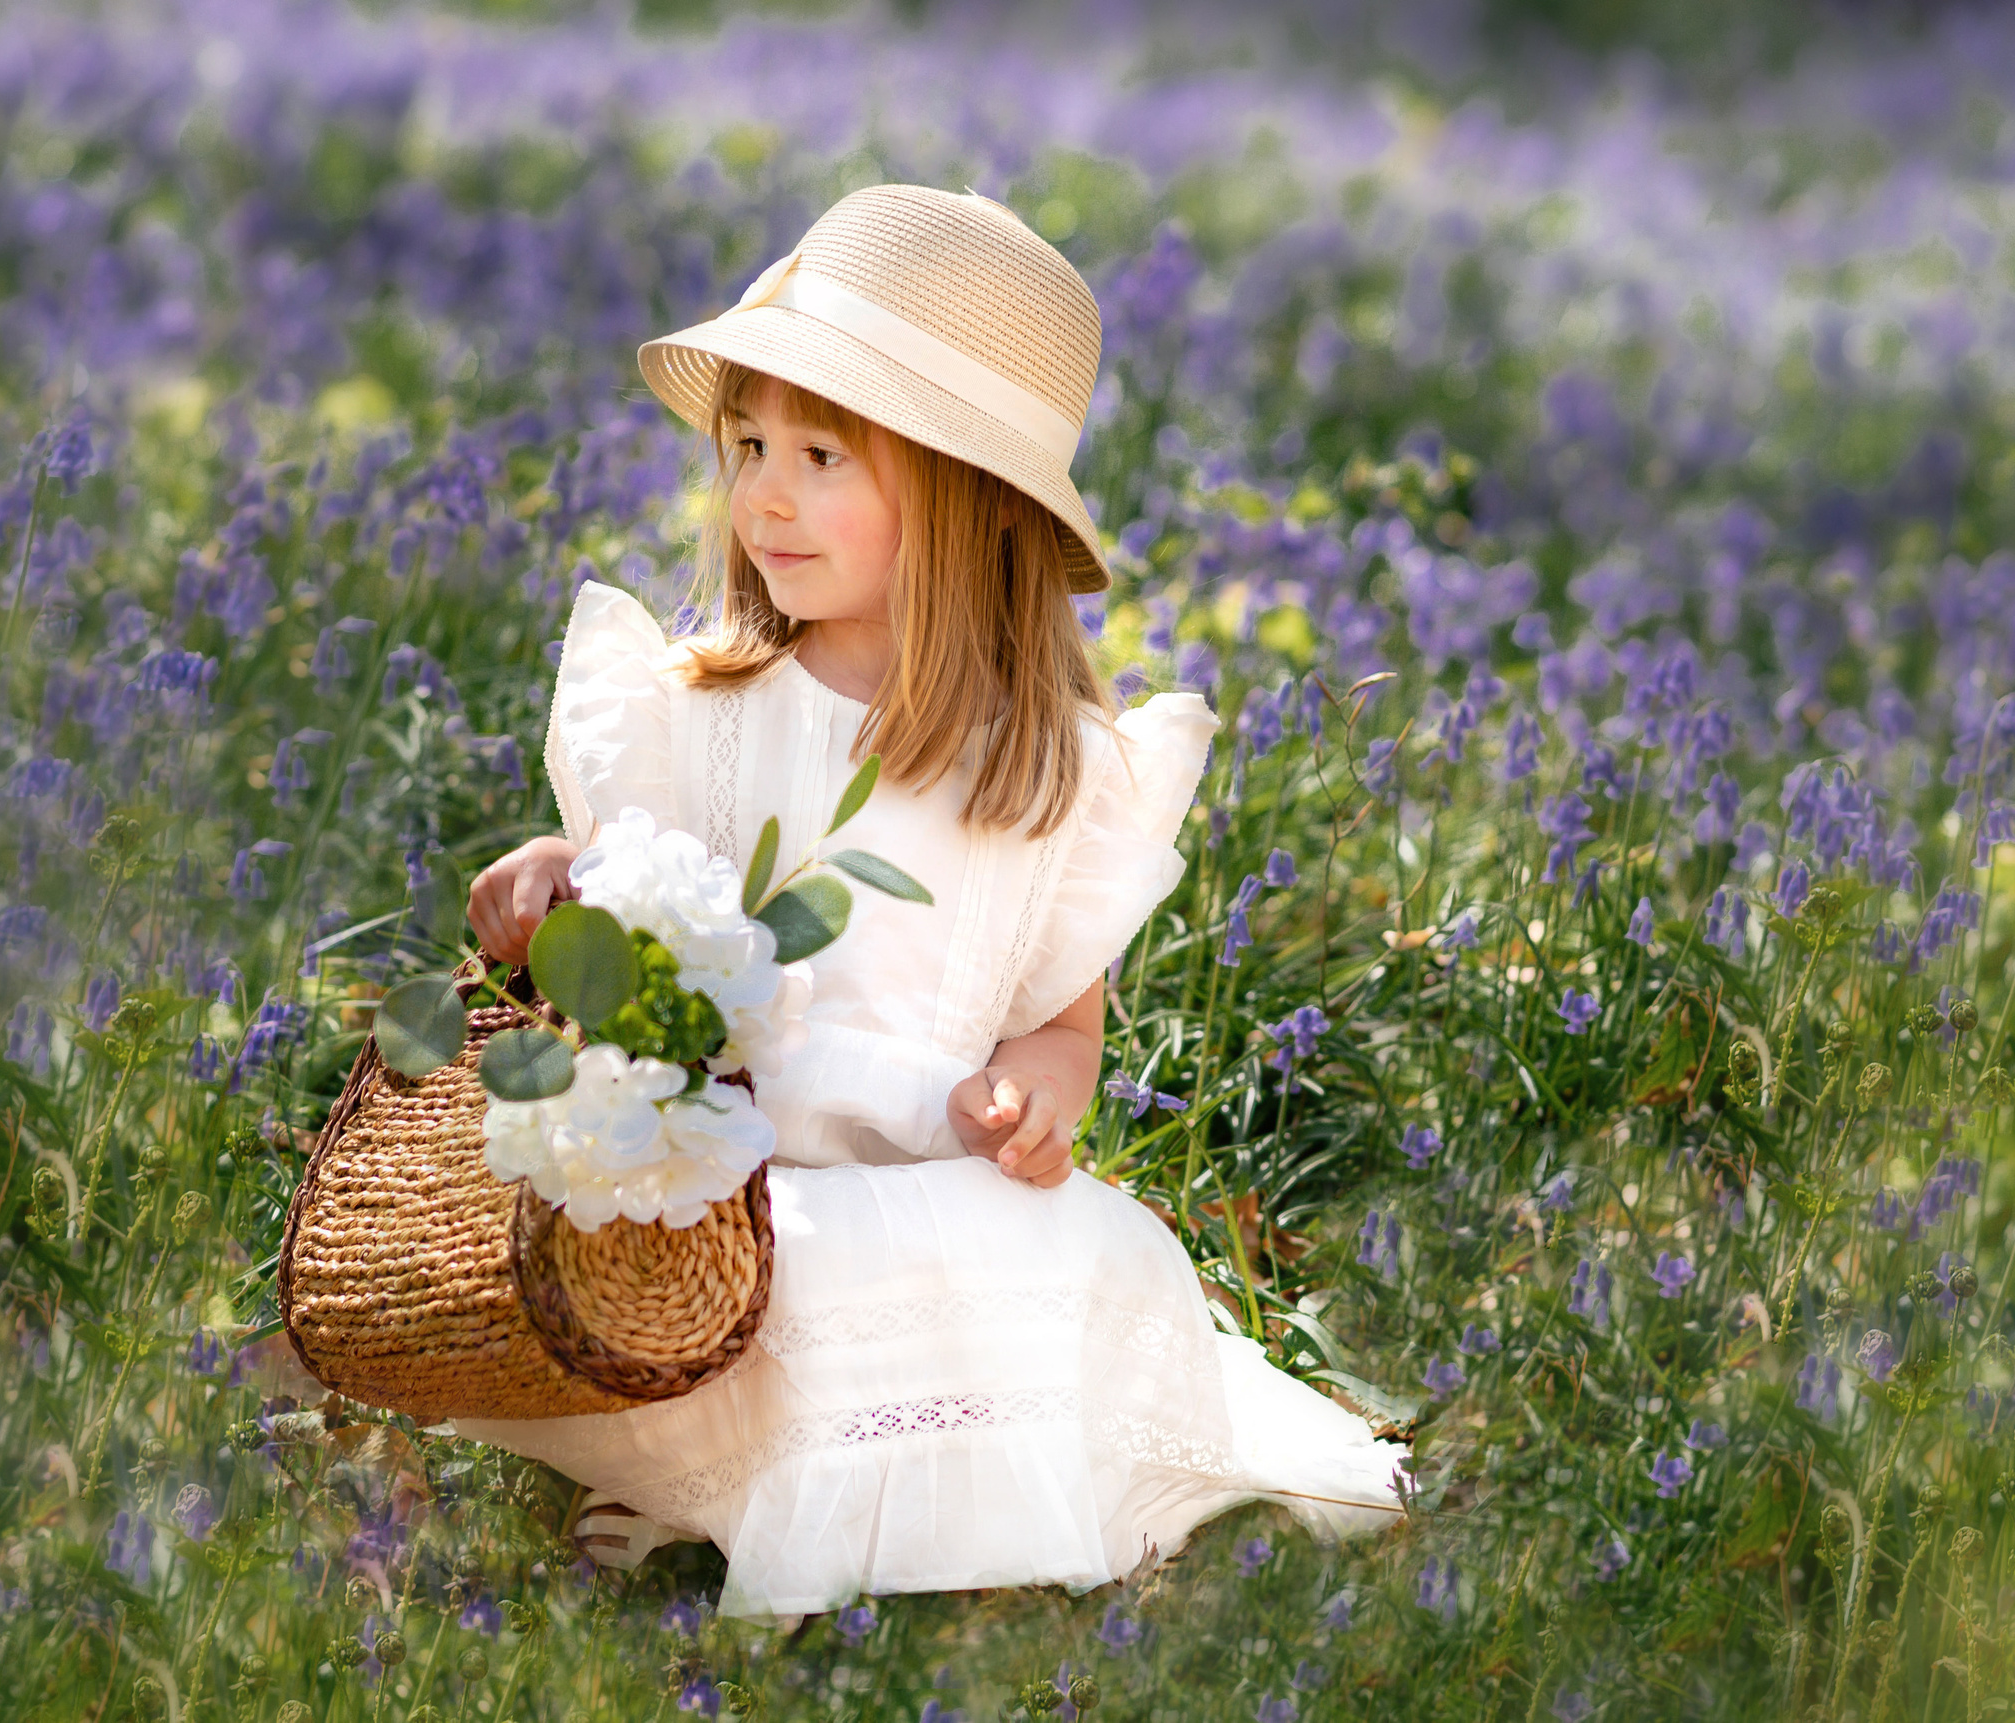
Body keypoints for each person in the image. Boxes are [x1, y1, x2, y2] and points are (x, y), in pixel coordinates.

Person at [452, 183, 1407, 1628]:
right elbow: (619, 903)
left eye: (821, 455)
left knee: (1070, 1259)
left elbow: (1062, 1028)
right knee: (750, 1284)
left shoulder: (1043, 772)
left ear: (962, 497)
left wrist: (1032, 1101)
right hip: (733, 1189)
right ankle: (706, 1459)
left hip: (927, 1187)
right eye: (750, 446)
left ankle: (829, 1480)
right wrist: (541, 886)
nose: (764, 493)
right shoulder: (704, 708)